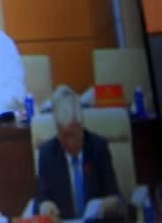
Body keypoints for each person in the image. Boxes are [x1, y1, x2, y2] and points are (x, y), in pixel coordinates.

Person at [35, 85, 123, 220]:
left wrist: (104, 205)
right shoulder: (47, 154)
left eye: (74, 135)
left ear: (81, 127)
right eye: (65, 136)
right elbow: (42, 198)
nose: (70, 143)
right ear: (58, 131)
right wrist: (46, 206)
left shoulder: (98, 148)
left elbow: (115, 198)